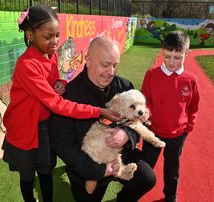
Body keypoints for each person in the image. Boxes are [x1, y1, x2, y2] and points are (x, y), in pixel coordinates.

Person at [2, 5, 120, 202]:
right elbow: (57, 104)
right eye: (48, 37)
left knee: (46, 170)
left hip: (45, 125)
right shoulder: (26, 65)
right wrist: (98, 111)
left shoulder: (52, 54)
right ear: (30, 35)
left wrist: (61, 82)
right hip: (25, 129)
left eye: (57, 35)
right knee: (28, 175)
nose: (55, 41)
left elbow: (55, 78)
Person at [50, 36, 156, 202]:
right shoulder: (68, 95)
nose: (111, 72)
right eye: (105, 65)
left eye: (115, 65)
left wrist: (127, 134)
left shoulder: (125, 87)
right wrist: (98, 170)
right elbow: (61, 143)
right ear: (89, 60)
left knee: (146, 179)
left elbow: (136, 121)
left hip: (121, 155)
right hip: (87, 165)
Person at [141, 30, 200, 202]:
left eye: (177, 57)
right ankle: (132, 192)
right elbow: (146, 100)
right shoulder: (151, 74)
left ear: (187, 53)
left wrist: (188, 127)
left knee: (172, 168)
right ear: (162, 51)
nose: (171, 62)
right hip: (153, 132)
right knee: (145, 167)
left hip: (177, 134)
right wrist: (147, 112)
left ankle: (170, 196)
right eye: (167, 56)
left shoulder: (191, 80)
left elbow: (194, 106)